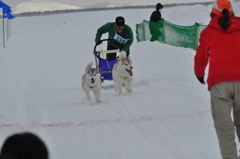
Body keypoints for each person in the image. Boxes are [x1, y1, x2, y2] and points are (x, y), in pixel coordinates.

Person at [194, 0, 240, 159]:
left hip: (219, 83)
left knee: (225, 129)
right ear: (232, 12)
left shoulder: (208, 32)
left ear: (213, 13)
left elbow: (201, 56)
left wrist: (199, 73)